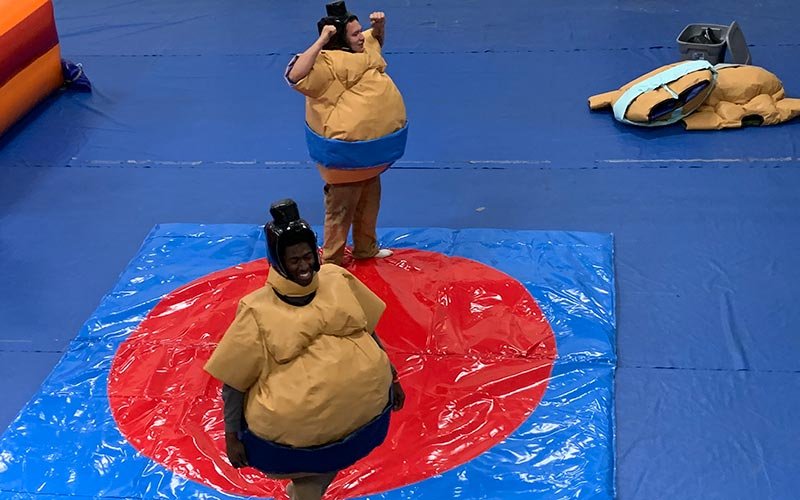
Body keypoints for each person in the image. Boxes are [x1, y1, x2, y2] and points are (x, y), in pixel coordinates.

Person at [204, 199, 405, 500]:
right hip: (296, 438)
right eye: (294, 260)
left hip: (362, 414)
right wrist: (231, 436)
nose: (304, 267)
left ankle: (308, 488)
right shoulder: (257, 311)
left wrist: (393, 377)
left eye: (307, 257)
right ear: (279, 263)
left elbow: (368, 330)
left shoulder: (337, 280)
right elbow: (234, 382)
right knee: (310, 478)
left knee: (318, 475)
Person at [285, 1, 408, 266]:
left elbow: (374, 40)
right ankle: (332, 261)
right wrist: (321, 41)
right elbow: (295, 75)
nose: (361, 36)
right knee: (340, 212)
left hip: (372, 155)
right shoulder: (325, 64)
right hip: (347, 160)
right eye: (354, 33)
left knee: (369, 204)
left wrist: (379, 26)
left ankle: (366, 248)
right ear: (339, 38)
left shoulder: (362, 47)